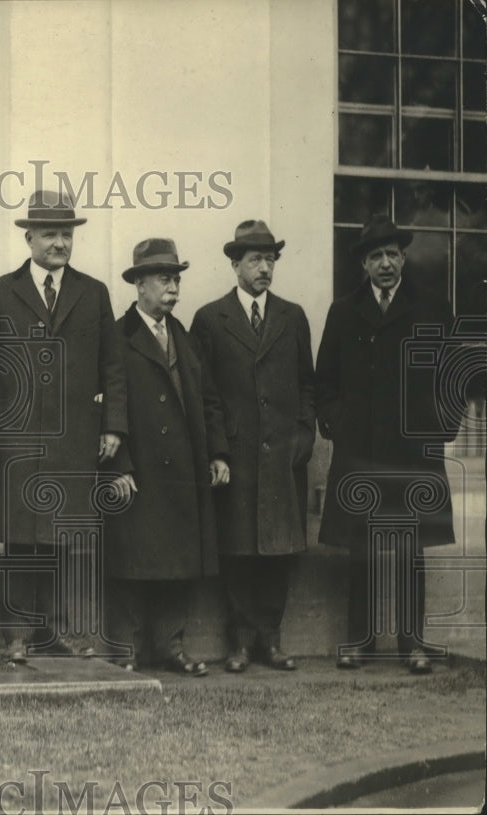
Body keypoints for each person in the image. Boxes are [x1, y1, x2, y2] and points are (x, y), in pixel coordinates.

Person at [0, 190, 127, 662]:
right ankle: (16, 636)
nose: (60, 243)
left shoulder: (93, 292)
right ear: (29, 237)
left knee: (60, 536)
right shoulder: (1, 291)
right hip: (17, 438)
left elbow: (112, 367)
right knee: (20, 538)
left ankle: (53, 631)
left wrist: (113, 427)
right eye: (50, 234)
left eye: (66, 234)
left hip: (74, 439)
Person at [316, 215, 458, 674]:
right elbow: (325, 383)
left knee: (410, 551)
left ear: (404, 257)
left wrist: (439, 427)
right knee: (362, 550)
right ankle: (359, 641)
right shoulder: (343, 311)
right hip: (360, 454)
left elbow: (456, 378)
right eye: (375, 256)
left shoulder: (432, 308)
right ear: (363, 263)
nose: (385, 264)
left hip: (413, 455)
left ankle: (412, 644)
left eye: (392, 254)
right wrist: (340, 425)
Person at [190, 221, 315, 673]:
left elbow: (307, 385)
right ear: (235, 265)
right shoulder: (209, 318)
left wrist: (304, 436)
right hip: (236, 457)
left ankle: (272, 640)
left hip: (283, 456)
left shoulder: (292, 316)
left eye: (271, 260)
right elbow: (203, 393)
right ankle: (240, 643)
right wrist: (217, 450)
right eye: (255, 260)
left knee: (278, 553)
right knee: (239, 551)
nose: (265, 268)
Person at [103, 238, 228, 675]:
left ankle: (171, 646)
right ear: (139, 285)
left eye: (176, 278)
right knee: (133, 564)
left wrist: (217, 453)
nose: (173, 287)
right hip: (138, 473)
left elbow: (209, 401)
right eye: (163, 279)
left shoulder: (186, 339)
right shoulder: (117, 337)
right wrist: (117, 467)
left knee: (179, 564)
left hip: (183, 474)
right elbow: (103, 408)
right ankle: (127, 650)